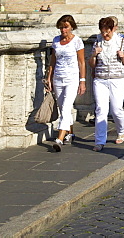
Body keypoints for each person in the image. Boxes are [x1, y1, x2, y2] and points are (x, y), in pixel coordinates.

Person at [45, 14, 86, 152]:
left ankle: (59, 138)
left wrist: (82, 80)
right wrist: (49, 78)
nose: (63, 30)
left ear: (71, 27)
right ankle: (71, 133)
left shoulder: (77, 41)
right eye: (61, 27)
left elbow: (81, 62)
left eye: (66, 27)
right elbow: (53, 61)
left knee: (66, 107)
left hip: (72, 78)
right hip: (58, 77)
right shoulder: (56, 41)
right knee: (63, 108)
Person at [91, 17, 124, 151]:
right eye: (103, 31)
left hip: (117, 79)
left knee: (116, 108)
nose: (105, 34)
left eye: (107, 31)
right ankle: (100, 141)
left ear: (112, 29)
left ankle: (122, 129)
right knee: (101, 110)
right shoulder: (97, 41)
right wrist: (94, 55)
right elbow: (91, 64)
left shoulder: (121, 41)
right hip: (100, 79)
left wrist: (122, 57)